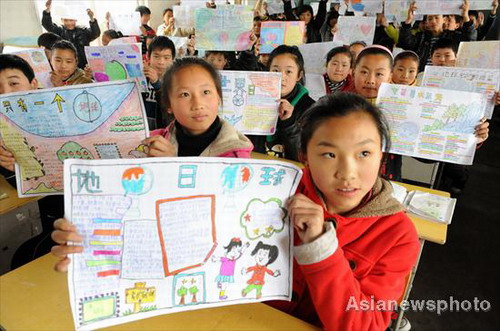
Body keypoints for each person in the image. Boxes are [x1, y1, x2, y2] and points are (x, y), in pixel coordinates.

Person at [51, 58, 254, 271]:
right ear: (168, 105)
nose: (198, 104)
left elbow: (226, 221)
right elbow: (123, 203)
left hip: (208, 264)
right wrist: (85, 233)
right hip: (155, 260)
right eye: (184, 94)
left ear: (219, 97)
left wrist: (173, 166)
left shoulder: (238, 159)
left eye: (206, 92)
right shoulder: (145, 146)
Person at [267, 93, 420, 330]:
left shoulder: (397, 235)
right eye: (329, 154)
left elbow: (366, 325)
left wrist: (320, 247)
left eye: (364, 153)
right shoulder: (274, 194)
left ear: (382, 155)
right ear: (304, 156)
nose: (347, 173)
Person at [0, 54, 64, 269]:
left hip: (76, 218)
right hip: (50, 217)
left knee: (23, 259)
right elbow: (23, 187)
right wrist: (13, 170)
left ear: (33, 84)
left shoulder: (57, 118)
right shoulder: (5, 130)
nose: (5, 93)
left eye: (14, 83)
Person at [266, 45, 315, 162]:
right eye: (275, 70)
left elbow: (303, 156)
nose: (281, 77)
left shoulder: (310, 108)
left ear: (299, 75)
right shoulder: (254, 101)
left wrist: (289, 123)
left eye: (288, 71)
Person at [397, 0, 474, 72]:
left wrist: (466, 17)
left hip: (447, 73)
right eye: (430, 19)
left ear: (444, 19)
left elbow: (468, 40)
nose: (433, 21)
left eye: (437, 17)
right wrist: (408, 21)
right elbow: (405, 43)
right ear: (426, 22)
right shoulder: (421, 37)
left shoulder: (453, 36)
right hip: (423, 74)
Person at [41, 0, 100, 68]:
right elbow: (47, 25)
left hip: (83, 65)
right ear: (62, 20)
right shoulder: (59, 31)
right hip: (65, 65)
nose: (69, 23)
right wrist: (47, 10)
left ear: (75, 20)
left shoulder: (83, 31)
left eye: (71, 20)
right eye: (66, 20)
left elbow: (96, 33)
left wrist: (92, 18)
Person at [142, 36, 176, 129]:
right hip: (141, 129)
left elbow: (170, 107)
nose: (161, 62)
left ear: (172, 59)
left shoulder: (175, 81)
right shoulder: (141, 77)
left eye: (166, 57)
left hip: (162, 131)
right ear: (148, 57)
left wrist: (156, 83)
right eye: (156, 56)